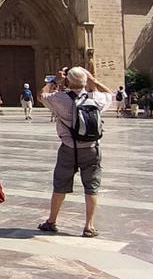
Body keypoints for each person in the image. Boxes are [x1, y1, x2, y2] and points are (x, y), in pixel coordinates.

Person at [38, 66, 111, 237]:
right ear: (86, 81)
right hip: (92, 149)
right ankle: (89, 226)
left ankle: (51, 221)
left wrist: (54, 81)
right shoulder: (96, 99)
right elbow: (111, 95)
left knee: (60, 186)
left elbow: (41, 96)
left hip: (69, 149)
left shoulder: (60, 98)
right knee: (91, 187)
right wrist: (94, 81)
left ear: (68, 81)